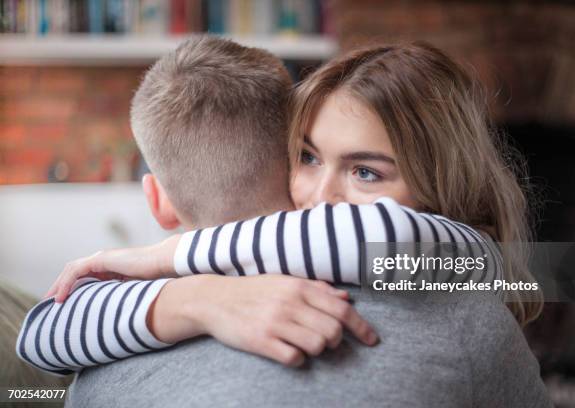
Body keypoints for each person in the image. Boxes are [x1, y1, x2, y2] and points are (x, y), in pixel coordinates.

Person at [18, 38, 539, 377]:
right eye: (307, 157)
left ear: (438, 184)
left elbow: (414, 243)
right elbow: (42, 333)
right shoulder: (260, 258)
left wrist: (170, 257)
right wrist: (198, 300)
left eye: (366, 172)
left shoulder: (456, 265)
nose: (321, 197)